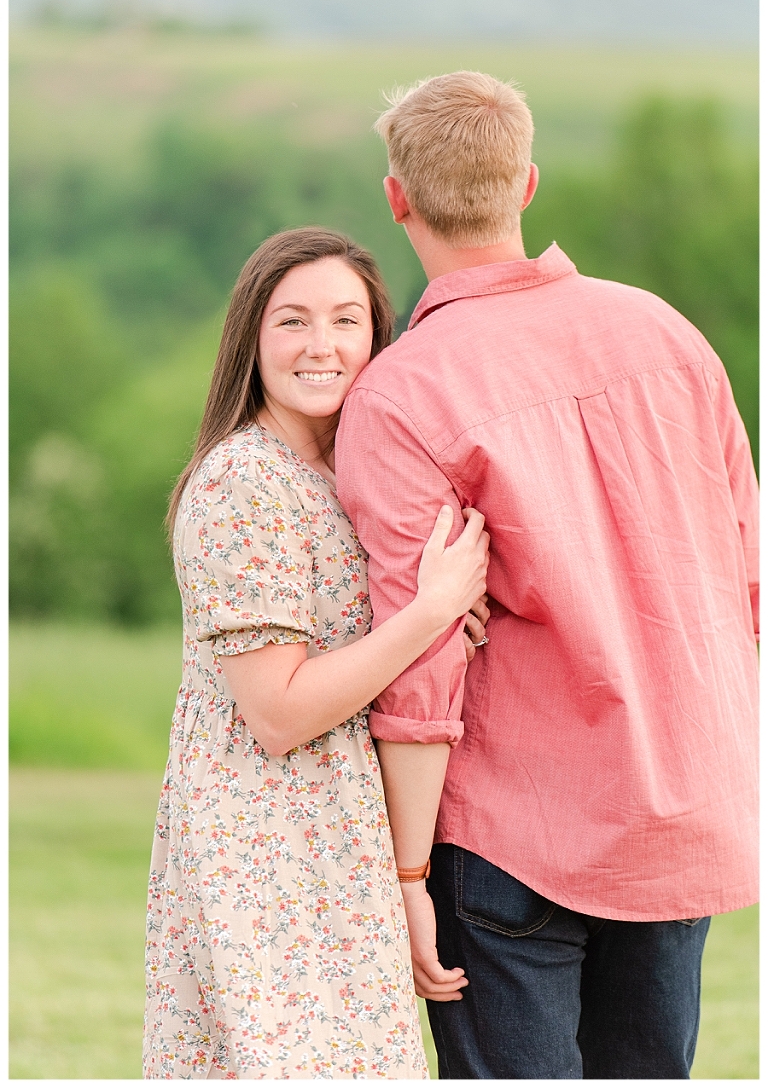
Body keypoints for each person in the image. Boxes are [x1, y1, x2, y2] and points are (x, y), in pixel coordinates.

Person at [335, 71, 759, 1079]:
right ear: (527, 186)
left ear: (397, 198)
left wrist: (402, 875)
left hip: (510, 839)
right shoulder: (669, 337)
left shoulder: (401, 391)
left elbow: (423, 669)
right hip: (682, 805)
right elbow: (748, 579)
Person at [143, 227, 491, 1079]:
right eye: (292, 322)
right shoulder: (244, 483)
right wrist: (428, 611)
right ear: (250, 340)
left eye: (346, 320)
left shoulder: (341, 475)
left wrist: (444, 620)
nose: (323, 346)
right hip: (264, 846)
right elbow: (279, 711)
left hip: (339, 836)